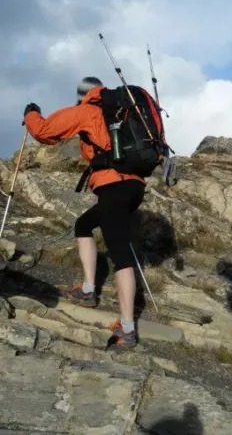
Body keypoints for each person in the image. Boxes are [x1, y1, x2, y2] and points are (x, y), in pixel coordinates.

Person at [23, 76, 146, 348]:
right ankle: (89, 290)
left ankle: (127, 329)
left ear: (83, 95)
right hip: (134, 186)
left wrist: (31, 114)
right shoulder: (123, 111)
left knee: (120, 253)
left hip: (113, 186)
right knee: (83, 225)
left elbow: (44, 131)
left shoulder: (87, 111)